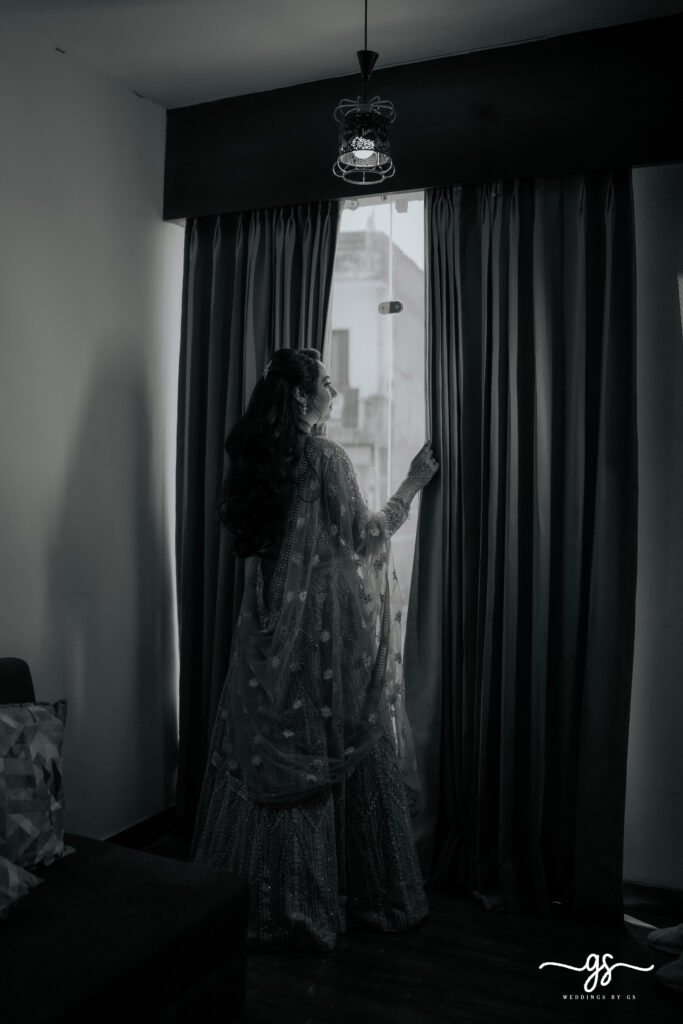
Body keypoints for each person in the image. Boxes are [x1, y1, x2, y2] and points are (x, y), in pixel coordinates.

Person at [192, 346, 439, 951]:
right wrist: (412, 483)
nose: (335, 393)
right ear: (303, 397)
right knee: (329, 744)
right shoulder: (325, 457)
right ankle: (328, 897)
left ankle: (257, 897)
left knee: (271, 749)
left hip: (265, 633)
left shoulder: (259, 461)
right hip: (321, 640)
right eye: (327, 384)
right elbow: (366, 534)